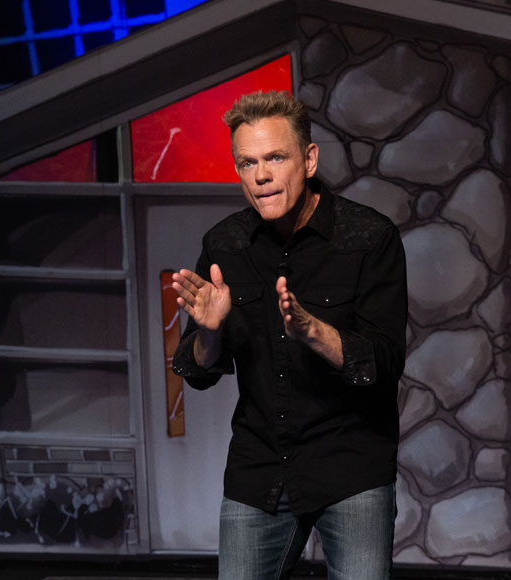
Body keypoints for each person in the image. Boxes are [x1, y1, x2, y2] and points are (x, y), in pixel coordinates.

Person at [170, 90, 407, 580]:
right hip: (259, 469)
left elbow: (384, 362)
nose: (261, 176)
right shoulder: (224, 245)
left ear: (309, 158)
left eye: (275, 157)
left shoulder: (368, 238)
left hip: (351, 468)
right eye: (247, 163)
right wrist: (209, 333)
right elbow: (196, 371)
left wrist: (314, 332)